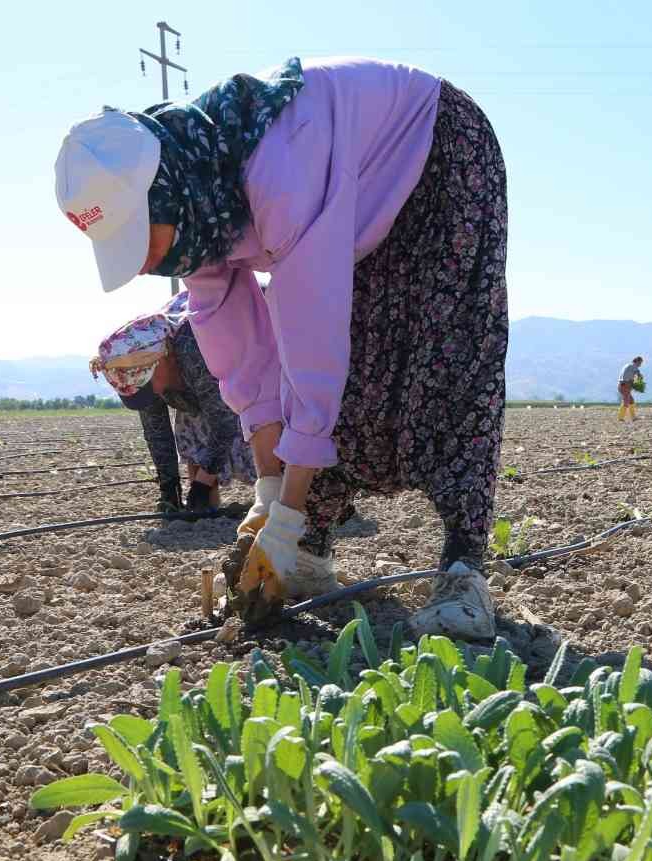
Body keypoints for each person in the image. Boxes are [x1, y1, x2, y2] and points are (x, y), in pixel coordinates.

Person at [55, 56, 507, 640]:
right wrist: (267, 497)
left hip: (436, 151)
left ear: (162, 195)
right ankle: (308, 550)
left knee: (446, 355)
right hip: (353, 190)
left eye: (137, 237)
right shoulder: (197, 203)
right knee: (358, 366)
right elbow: (241, 358)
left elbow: (310, 345)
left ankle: (464, 571)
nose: (141, 263)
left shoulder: (277, 168)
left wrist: (286, 515)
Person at [94, 294, 256, 517]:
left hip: (262, 366)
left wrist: (202, 484)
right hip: (201, 389)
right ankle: (205, 507)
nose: (156, 394)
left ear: (161, 359)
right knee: (188, 424)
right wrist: (169, 489)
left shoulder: (194, 346)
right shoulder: (140, 372)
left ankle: (285, 487)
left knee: (255, 423)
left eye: (150, 386)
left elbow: (225, 420)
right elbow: (157, 432)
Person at [617, 357, 645, 421]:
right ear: (637, 361)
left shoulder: (628, 365)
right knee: (626, 401)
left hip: (622, 385)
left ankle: (633, 417)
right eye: (640, 363)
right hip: (624, 385)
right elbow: (639, 375)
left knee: (631, 401)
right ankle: (620, 417)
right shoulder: (633, 366)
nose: (640, 365)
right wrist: (640, 380)